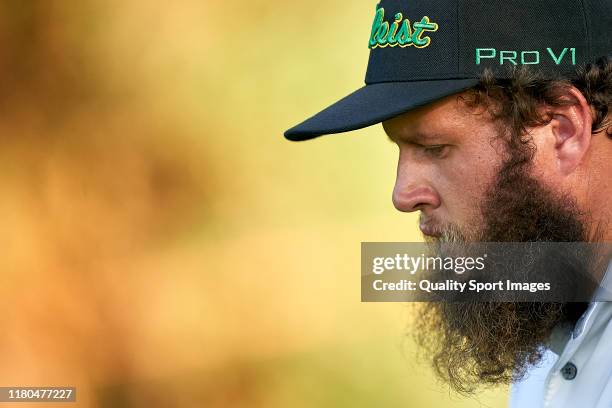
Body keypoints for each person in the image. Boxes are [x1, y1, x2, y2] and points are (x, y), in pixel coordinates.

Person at [284, 0, 612, 406]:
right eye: (400, 147)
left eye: (435, 148)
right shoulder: (551, 305)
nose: (403, 195)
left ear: (562, 131)